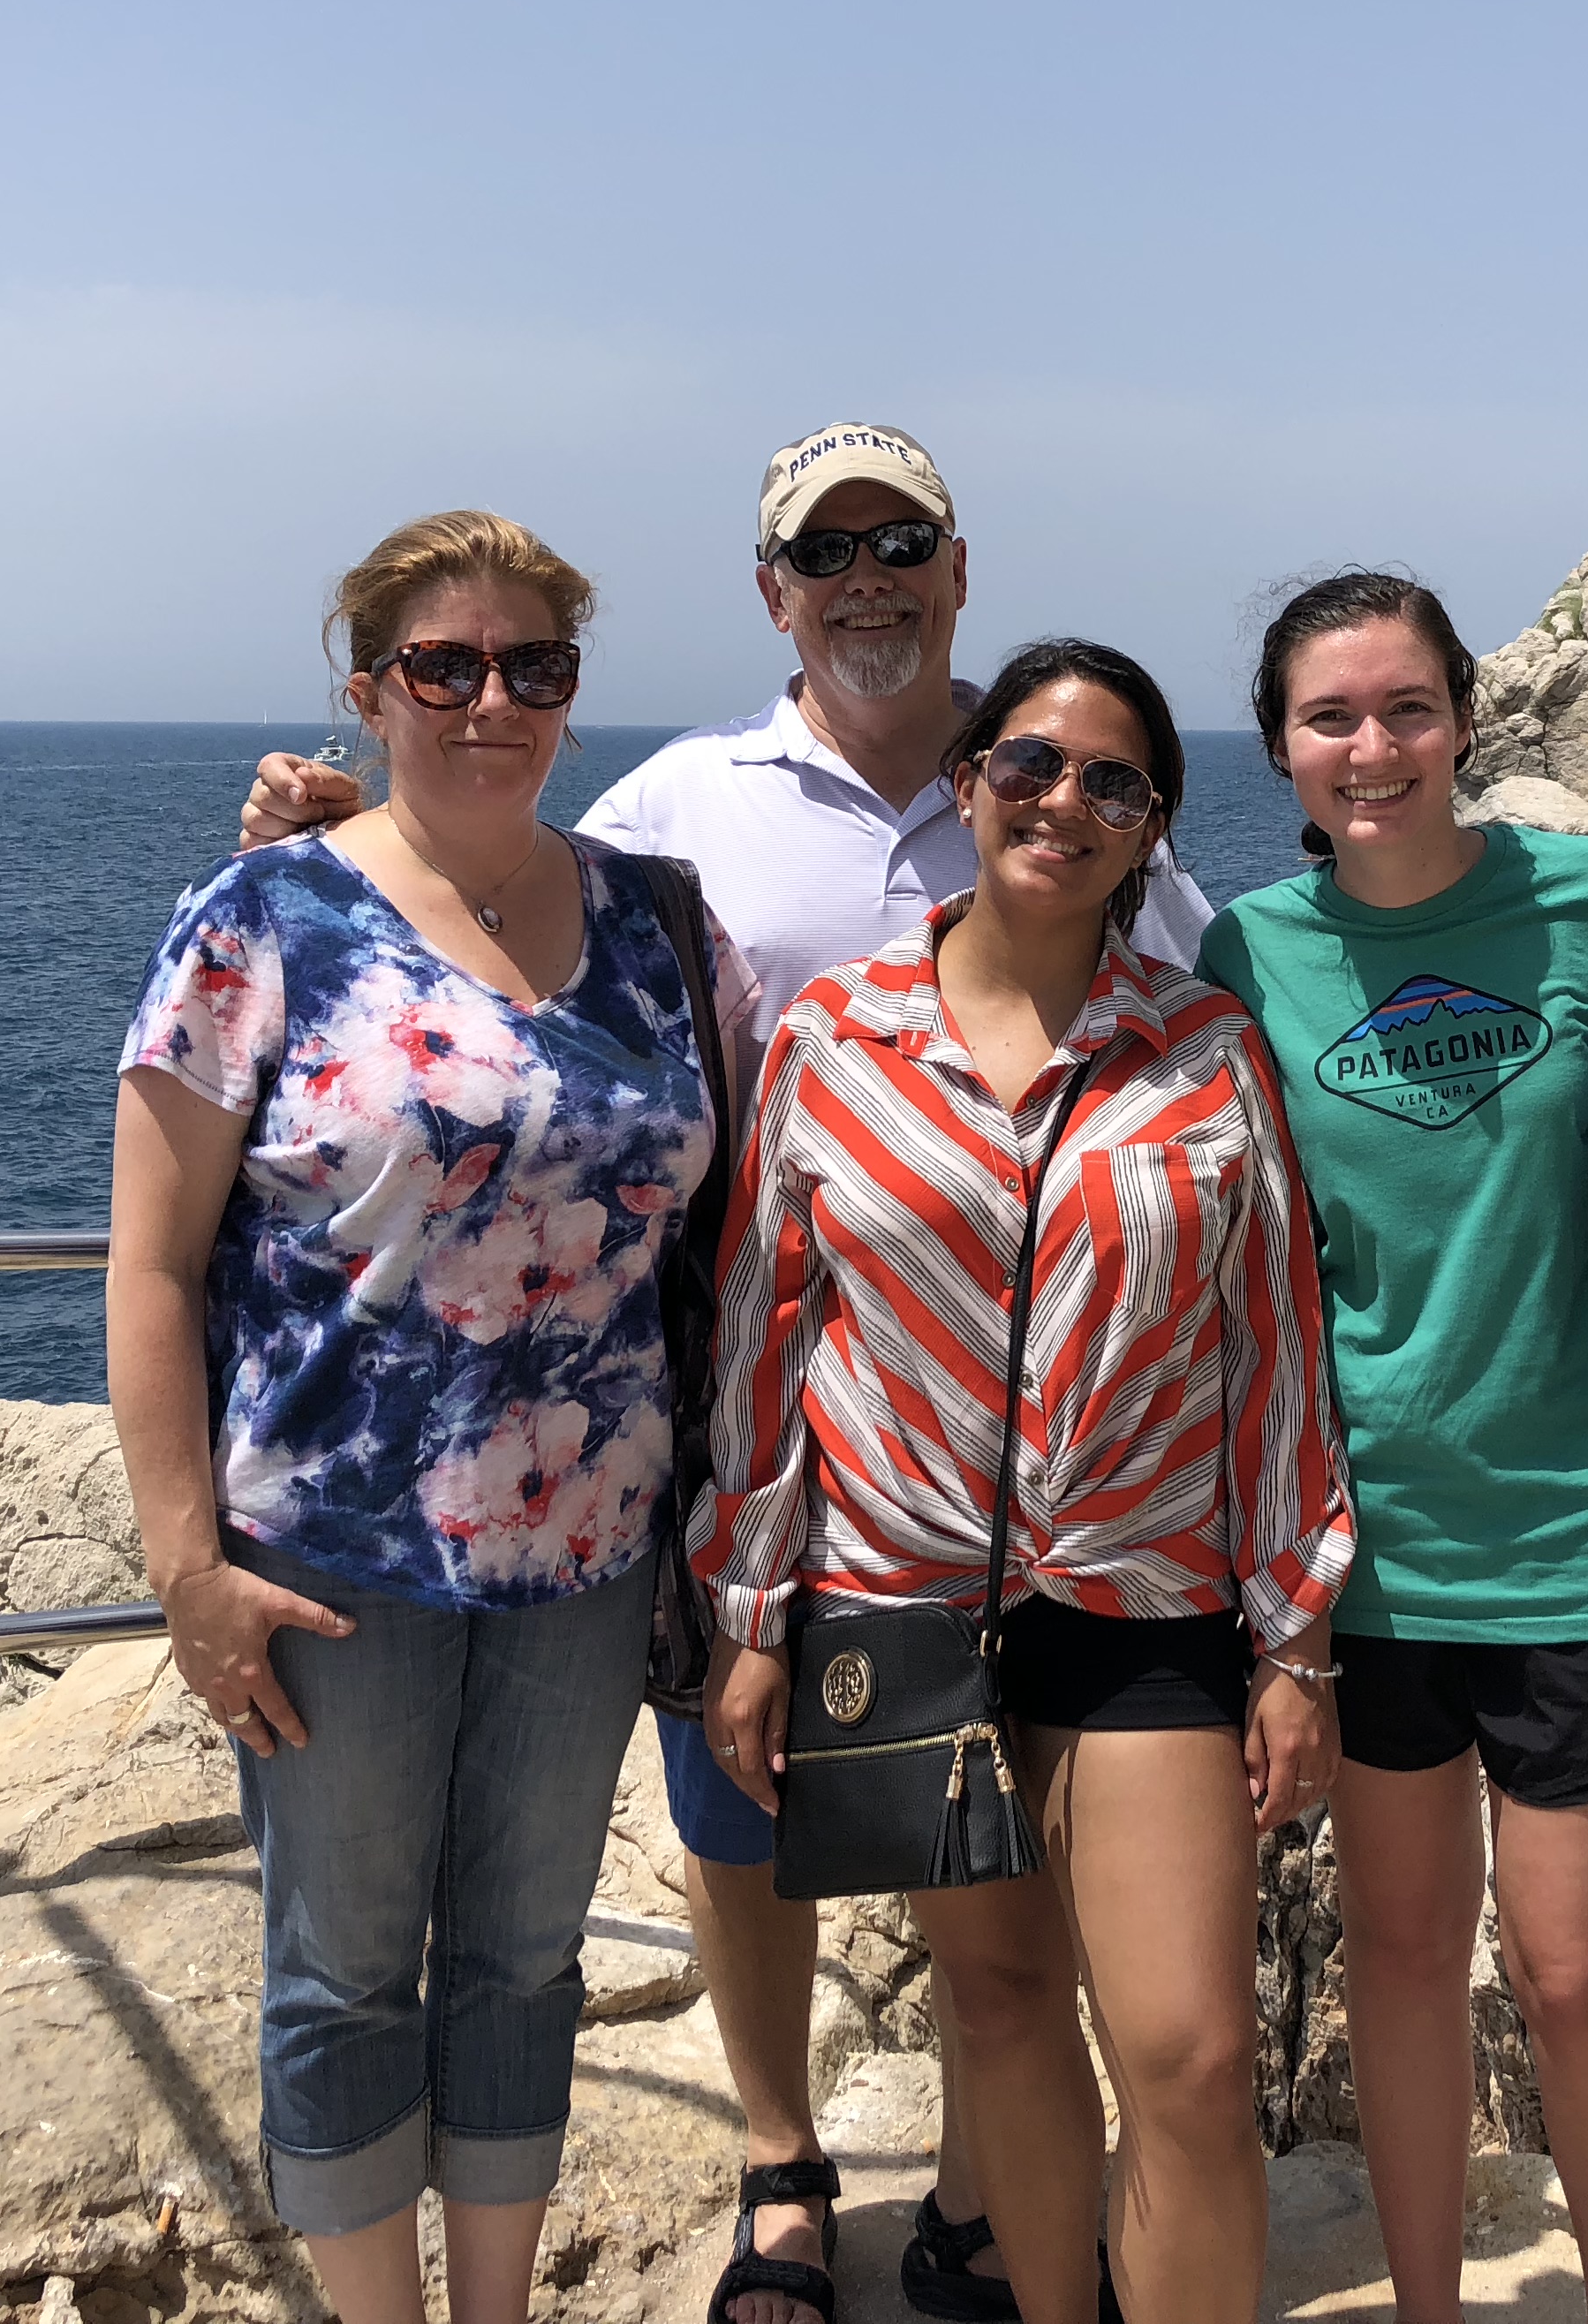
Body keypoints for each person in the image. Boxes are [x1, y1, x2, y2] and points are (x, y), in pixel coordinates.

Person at [236, 424, 1213, 2324]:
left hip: (1023, 1436)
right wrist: (314, 852)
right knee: (738, 1796)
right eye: (823, 552)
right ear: (772, 589)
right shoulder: (685, 805)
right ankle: (782, 2159)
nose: (867, 580)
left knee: (990, 1821)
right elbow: (489, 930)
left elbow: (1196, 1025)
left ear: (955, 568)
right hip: (749, 1383)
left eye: (900, 542)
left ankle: (974, 2187)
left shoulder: (1056, 790)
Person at [109, 510, 759, 2324]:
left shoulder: (654, 918)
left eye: (533, 667)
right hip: (331, 1563)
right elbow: (151, 1268)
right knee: (337, 1975)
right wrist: (185, 1567)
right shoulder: (261, 919)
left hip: (587, 1548)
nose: (492, 699)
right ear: (367, 687)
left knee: (526, 1962)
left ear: (571, 689)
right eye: (445, 666)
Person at [701, 640, 1354, 2324]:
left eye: (1113, 782)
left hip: (1141, 1601)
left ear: (1152, 829)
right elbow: (768, 1334)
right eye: (1031, 766)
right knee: (998, 2012)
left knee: (1195, 2062)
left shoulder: (1203, 1049)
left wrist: (1295, 1642)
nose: (1065, 802)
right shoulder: (837, 1038)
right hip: (902, 1606)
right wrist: (755, 1615)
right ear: (970, 782)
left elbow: (1272, 1346)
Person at [1195, 574, 1588, 2324]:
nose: (1373, 748)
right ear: (1280, 750)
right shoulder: (1250, 953)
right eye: (1333, 719)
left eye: (1406, 709)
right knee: (1401, 1963)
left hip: (1585, 1525)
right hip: (1370, 1552)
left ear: (1464, 718)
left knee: (1570, 1974)